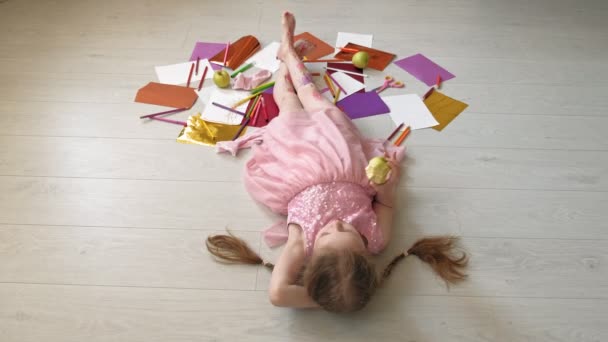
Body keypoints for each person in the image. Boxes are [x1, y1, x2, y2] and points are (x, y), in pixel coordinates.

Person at [206, 12, 468, 313]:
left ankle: (284, 62)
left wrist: (324, 298)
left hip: (300, 161)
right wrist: (387, 185)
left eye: (329, 234)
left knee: (288, 102)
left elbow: (278, 295)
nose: (339, 226)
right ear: (366, 256)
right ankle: (291, 57)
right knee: (313, 96)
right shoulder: (376, 239)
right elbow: (386, 204)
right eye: (349, 232)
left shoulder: (300, 244)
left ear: (312, 258)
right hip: (341, 156)